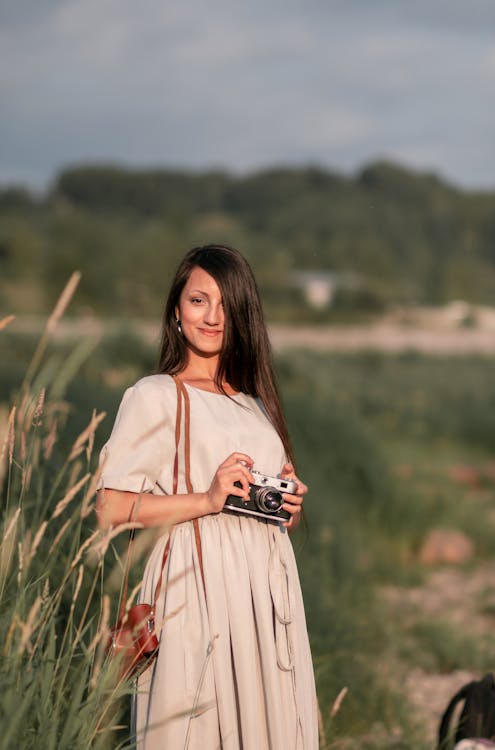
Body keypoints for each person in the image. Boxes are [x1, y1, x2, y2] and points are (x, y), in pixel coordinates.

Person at [96, 244, 318, 749]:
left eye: (224, 304)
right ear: (176, 309)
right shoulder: (155, 395)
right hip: (194, 589)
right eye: (198, 300)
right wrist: (206, 498)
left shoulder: (255, 403)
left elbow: (270, 520)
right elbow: (108, 507)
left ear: (242, 315)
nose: (212, 317)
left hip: (267, 597)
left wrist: (288, 507)